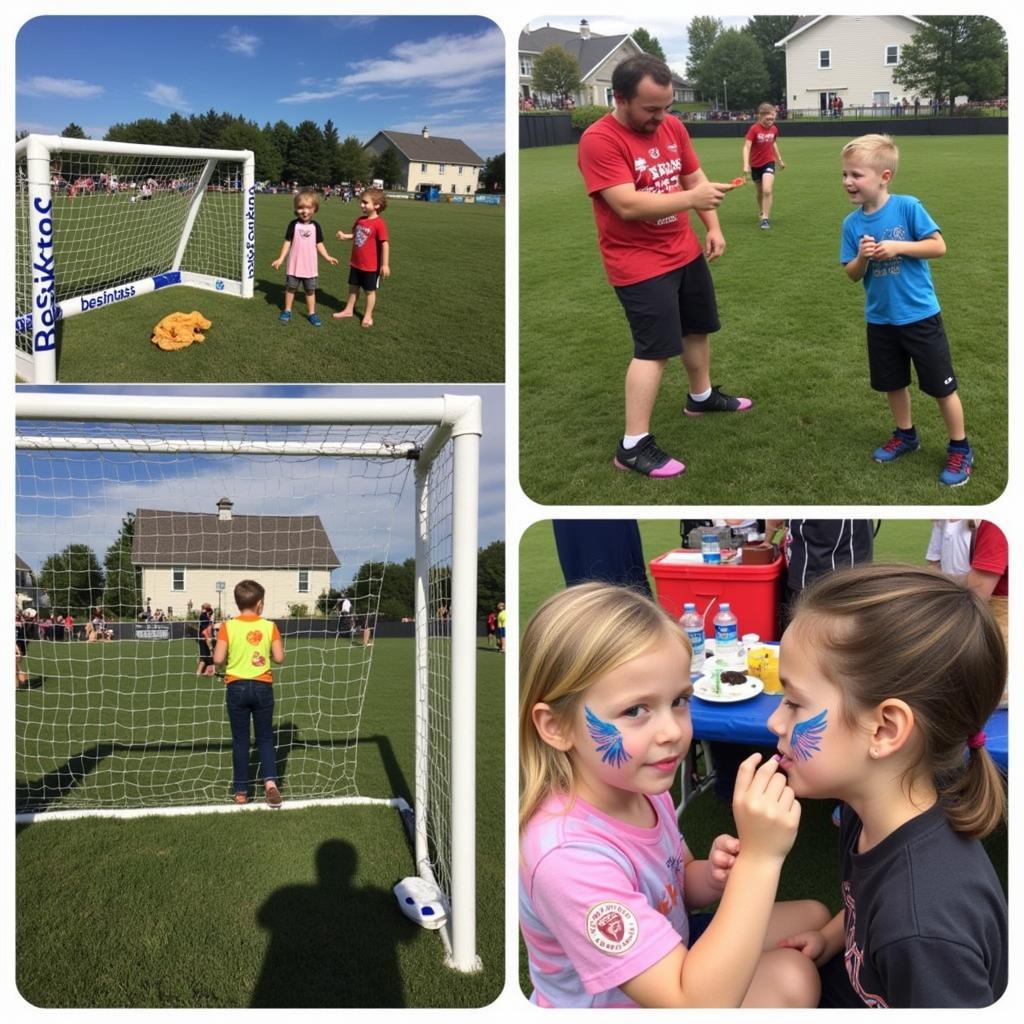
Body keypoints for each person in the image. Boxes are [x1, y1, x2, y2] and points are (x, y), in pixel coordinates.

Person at [519, 582, 828, 1007]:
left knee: (812, 915)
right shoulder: (566, 858)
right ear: (556, 726)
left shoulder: (641, 787)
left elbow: (677, 881)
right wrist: (760, 860)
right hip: (652, 998)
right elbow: (692, 1004)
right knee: (793, 976)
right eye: (635, 710)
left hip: (673, 948)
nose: (672, 732)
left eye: (679, 700)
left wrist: (714, 876)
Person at [767, 564, 1007, 1007]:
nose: (774, 721)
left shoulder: (923, 928)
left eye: (795, 703)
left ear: (884, 730)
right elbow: (864, 901)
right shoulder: (866, 811)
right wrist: (828, 937)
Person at [577, 53, 751, 479]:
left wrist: (712, 226)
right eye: (651, 109)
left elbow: (694, 179)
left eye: (667, 107)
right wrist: (693, 201)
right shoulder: (599, 140)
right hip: (637, 263)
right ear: (620, 98)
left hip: (684, 250)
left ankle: (701, 396)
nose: (661, 118)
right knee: (654, 351)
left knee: (697, 327)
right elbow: (627, 204)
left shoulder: (672, 126)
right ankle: (633, 445)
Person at [840, 134, 972, 486]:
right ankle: (906, 435)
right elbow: (851, 275)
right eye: (845, 175)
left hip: (919, 316)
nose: (848, 182)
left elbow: (938, 246)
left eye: (856, 175)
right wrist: (862, 258)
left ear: (884, 177)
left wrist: (898, 246)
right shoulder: (851, 225)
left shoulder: (908, 207)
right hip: (881, 319)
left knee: (942, 387)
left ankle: (960, 447)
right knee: (893, 383)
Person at [213, 579, 286, 807]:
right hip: (263, 687)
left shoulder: (228, 626)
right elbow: (280, 658)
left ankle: (241, 791)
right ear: (260, 604)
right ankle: (271, 785)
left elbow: (217, 659)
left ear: (238, 603)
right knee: (265, 738)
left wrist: (226, 659)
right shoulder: (269, 626)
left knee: (240, 740)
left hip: (237, 687)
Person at [271, 189, 339, 327]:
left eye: (308, 207)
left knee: (310, 291)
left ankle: (312, 313)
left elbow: (319, 244)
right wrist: (280, 258)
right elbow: (287, 243)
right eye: (301, 207)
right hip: (294, 267)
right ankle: (287, 310)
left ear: (314, 209)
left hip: (310, 268)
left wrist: (327, 257)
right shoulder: (293, 225)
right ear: (296, 209)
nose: (304, 211)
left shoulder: (316, 227)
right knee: (290, 289)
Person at [333, 187, 390, 328]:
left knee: (369, 291)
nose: (362, 205)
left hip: (371, 266)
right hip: (356, 263)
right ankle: (348, 310)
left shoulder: (379, 223)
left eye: (365, 202)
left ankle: (368, 315)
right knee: (353, 288)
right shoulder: (360, 220)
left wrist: (385, 264)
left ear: (376, 205)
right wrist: (345, 236)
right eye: (361, 202)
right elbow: (355, 235)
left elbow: (385, 244)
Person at [742, 103, 786, 230]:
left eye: (772, 119)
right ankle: (761, 210)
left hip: (768, 162)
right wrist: (746, 164)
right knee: (760, 191)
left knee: (767, 189)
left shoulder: (774, 129)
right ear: (760, 116)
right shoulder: (754, 129)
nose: (770, 122)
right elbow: (746, 147)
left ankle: (765, 218)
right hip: (755, 165)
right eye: (768, 119)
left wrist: (779, 160)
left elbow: (773, 144)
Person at [195, 602, 215, 676]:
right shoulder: (204, 616)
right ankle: (199, 672)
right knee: (204, 656)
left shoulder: (204, 616)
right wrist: (208, 640)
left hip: (204, 637)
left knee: (208, 655)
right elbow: (205, 630)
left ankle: (209, 671)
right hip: (204, 638)